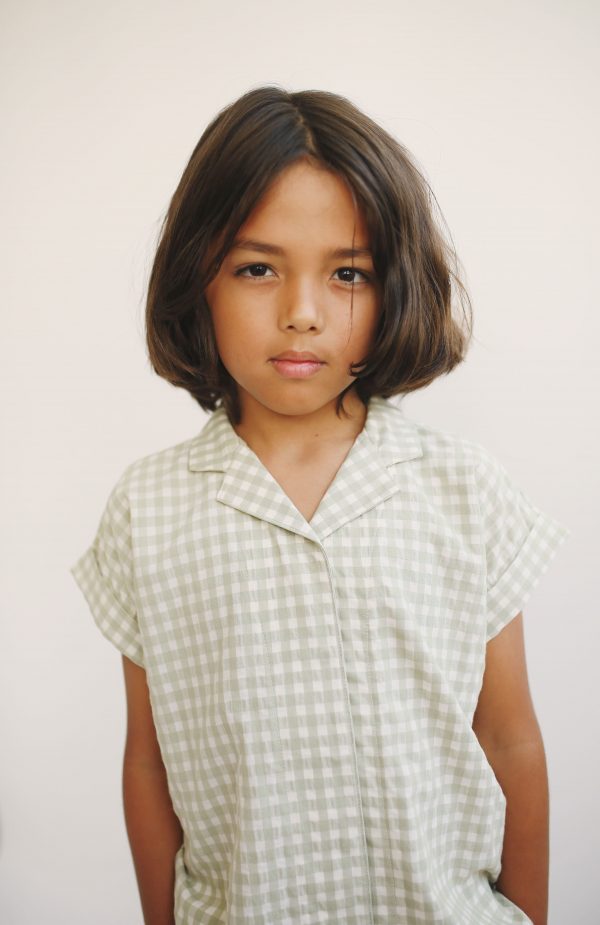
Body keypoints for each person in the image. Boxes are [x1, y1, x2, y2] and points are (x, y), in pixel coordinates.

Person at [70, 85, 570, 925]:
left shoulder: (464, 490)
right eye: (257, 267)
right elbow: (151, 761)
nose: (301, 314)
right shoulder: (147, 509)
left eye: (347, 273)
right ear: (199, 275)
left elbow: (510, 738)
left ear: (393, 287)